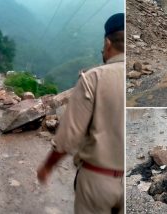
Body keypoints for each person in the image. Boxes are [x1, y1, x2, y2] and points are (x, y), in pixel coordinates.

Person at [37, 13, 124, 214]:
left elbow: (68, 136)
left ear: (107, 43)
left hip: (96, 182)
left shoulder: (93, 78)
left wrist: (47, 166)